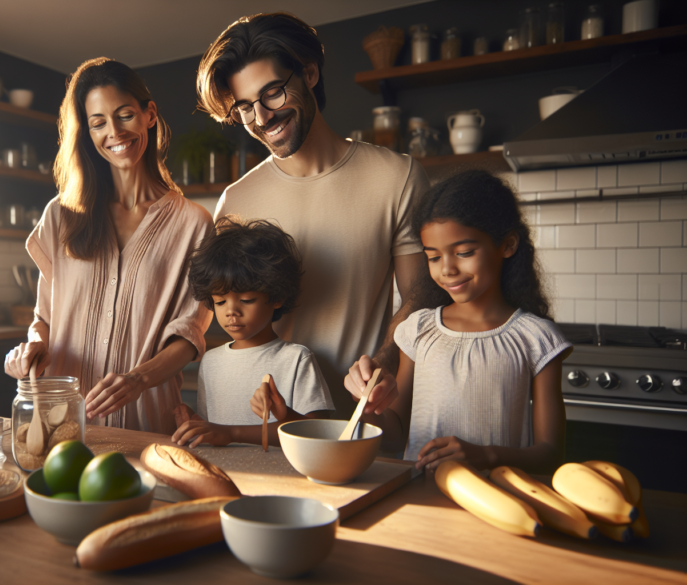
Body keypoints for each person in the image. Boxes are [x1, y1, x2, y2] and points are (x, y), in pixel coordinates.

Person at [196, 12, 429, 419]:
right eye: (246, 108)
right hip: (266, 427)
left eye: (272, 93)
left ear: (309, 72)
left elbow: (420, 295)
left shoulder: (397, 176)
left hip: (363, 420)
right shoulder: (236, 201)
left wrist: (387, 358)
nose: (263, 118)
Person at [4, 58, 213, 434]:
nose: (114, 132)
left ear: (149, 115)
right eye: (98, 122)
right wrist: (30, 347)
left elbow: (189, 335)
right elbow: (45, 320)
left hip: (146, 423)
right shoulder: (62, 215)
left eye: (125, 115)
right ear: (87, 133)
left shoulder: (193, 224)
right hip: (61, 422)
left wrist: (138, 379)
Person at [350, 170, 570, 473]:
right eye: (433, 257)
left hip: (502, 503)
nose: (447, 269)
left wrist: (486, 456)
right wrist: (367, 406)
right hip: (423, 501)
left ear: (507, 245)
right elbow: (394, 436)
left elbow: (551, 454)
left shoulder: (537, 339)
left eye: (464, 252)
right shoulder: (417, 330)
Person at [171, 217, 334, 448]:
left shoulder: (296, 359)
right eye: (219, 302)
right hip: (224, 476)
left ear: (277, 297)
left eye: (246, 300)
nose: (231, 312)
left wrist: (282, 415)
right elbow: (214, 430)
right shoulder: (211, 361)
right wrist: (195, 423)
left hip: (280, 480)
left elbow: (319, 434)